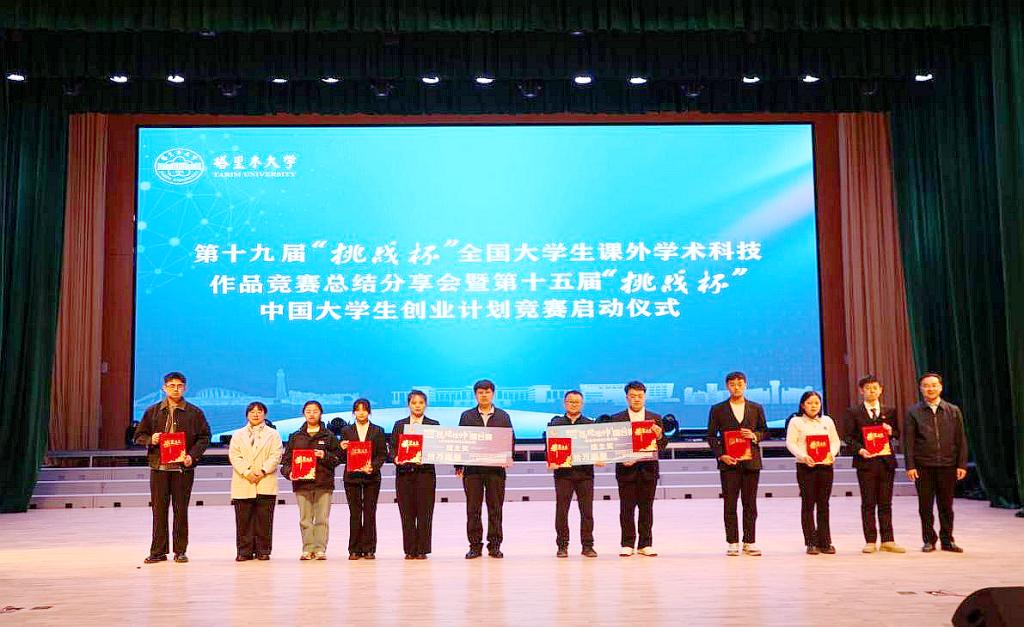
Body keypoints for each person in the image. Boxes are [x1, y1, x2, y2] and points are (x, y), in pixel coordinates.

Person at [134, 371, 211, 564]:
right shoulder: (153, 411)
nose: (176, 389)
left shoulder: (194, 412)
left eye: (179, 386)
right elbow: (138, 436)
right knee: (159, 511)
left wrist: (192, 456)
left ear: (185, 388)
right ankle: (158, 551)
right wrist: (151, 439)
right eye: (171, 386)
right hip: (159, 468)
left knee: (180, 510)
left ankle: (180, 550)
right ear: (164, 388)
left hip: (182, 469)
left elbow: (204, 437)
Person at [905, 372, 969, 553]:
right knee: (925, 506)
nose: (930, 388)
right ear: (921, 389)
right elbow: (908, 441)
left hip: (948, 465)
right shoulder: (913, 412)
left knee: (946, 506)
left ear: (940, 387)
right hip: (923, 466)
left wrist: (961, 464)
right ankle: (929, 540)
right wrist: (910, 466)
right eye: (926, 386)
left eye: (934, 385)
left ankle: (947, 540)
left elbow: (961, 439)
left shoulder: (953, 410)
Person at [602, 381, 667, 557]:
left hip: (648, 470)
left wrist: (659, 435)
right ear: (627, 398)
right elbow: (612, 445)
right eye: (633, 396)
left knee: (647, 508)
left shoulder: (655, 418)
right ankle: (627, 543)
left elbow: (662, 445)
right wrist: (622, 459)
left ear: (644, 397)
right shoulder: (617, 418)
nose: (636, 399)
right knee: (626, 508)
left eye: (639, 396)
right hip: (626, 471)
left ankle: (645, 543)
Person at [706, 371, 768, 557]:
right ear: (727, 386)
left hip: (751, 462)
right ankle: (732, 542)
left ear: (746, 385)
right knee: (730, 504)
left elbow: (765, 431)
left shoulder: (756, 407)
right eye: (732, 384)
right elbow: (711, 436)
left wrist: (755, 436)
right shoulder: (718, 409)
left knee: (750, 504)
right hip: (729, 463)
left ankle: (749, 542)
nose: (736, 387)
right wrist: (721, 455)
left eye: (740, 384)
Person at [842, 375, 905, 554]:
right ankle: (870, 540)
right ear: (861, 391)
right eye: (868, 388)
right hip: (865, 462)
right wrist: (860, 450)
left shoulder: (890, 411)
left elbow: (898, 433)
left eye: (875, 388)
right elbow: (848, 437)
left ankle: (888, 540)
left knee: (886, 503)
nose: (872, 391)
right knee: (868, 502)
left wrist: (891, 431)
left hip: (886, 462)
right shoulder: (853, 412)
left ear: (881, 390)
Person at [458, 379, 515, 559]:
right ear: (475, 395)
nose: (484, 395)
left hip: (495, 471)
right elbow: (460, 440)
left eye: (487, 392)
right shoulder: (467, 416)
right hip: (472, 471)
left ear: (493, 394)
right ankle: (475, 546)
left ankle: (494, 545)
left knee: (495, 509)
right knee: (473, 509)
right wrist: (458, 465)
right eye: (480, 392)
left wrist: (508, 457)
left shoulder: (503, 416)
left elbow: (511, 439)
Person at [281, 400, 342, 561]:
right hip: (302, 484)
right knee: (305, 519)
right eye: (308, 411)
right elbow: (286, 462)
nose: (312, 414)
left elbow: (338, 459)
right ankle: (308, 548)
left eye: (315, 411)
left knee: (322, 519)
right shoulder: (296, 437)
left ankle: (320, 549)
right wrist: (289, 473)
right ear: (303, 414)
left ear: (321, 413)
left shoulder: (329, 436)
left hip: (323, 483)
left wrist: (324, 455)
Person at [786, 391, 841, 555]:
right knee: (808, 504)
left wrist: (832, 453)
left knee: (824, 504)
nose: (813, 406)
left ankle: (825, 541)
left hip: (825, 466)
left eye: (816, 403)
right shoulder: (796, 422)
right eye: (809, 403)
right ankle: (810, 542)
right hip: (806, 467)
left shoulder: (827, 421)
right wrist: (803, 456)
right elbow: (790, 443)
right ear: (803, 405)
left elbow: (835, 441)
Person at [228, 402, 284, 561]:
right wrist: (247, 472)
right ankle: (244, 551)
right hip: (243, 480)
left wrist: (263, 471)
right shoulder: (238, 434)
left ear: (264, 414)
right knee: (243, 520)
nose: (255, 414)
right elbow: (234, 456)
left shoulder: (273, 434)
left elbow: (276, 455)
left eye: (259, 411)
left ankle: (263, 550)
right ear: (247, 415)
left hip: (265, 479)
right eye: (252, 411)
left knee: (264, 519)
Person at [547, 390, 598, 558]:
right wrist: (550, 459)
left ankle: (587, 546)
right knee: (562, 511)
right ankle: (562, 546)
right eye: (570, 401)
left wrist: (600, 457)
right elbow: (548, 445)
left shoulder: (590, 424)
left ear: (582, 404)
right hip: (563, 475)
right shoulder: (556, 424)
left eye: (577, 402)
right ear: (564, 403)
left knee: (587, 512)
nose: (573, 404)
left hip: (585, 474)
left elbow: (596, 446)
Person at [390, 390, 439, 560]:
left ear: (426, 404)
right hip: (404, 474)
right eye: (414, 403)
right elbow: (392, 448)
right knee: (407, 513)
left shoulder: (433, 424)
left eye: (421, 403)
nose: (417, 406)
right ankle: (410, 549)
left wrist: (427, 457)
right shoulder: (399, 425)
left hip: (425, 475)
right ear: (408, 405)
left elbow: (438, 449)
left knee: (425, 513)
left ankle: (423, 549)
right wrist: (396, 458)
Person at [340, 398, 388, 560]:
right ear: (354, 412)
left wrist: (372, 466)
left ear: (369, 412)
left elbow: (382, 454)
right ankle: (354, 549)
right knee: (354, 513)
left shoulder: (378, 431)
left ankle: (369, 548)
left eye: (364, 409)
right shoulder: (346, 430)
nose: (361, 413)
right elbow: (341, 456)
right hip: (351, 478)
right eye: (358, 409)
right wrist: (342, 448)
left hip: (371, 477)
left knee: (369, 513)